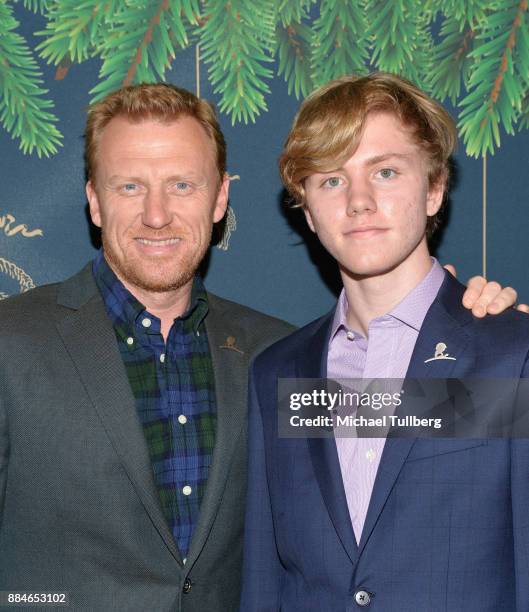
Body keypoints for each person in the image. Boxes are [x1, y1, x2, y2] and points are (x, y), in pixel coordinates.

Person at [0, 82, 520, 612]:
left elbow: (399, 456)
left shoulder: (269, 355)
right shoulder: (11, 342)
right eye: (129, 187)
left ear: (220, 197)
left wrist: (473, 327)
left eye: (182, 184)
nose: (156, 214)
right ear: (93, 201)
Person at [241, 73, 529, 611]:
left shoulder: (510, 355)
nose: (359, 201)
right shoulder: (277, 375)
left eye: (387, 171)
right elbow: (265, 581)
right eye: (330, 180)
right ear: (305, 206)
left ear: (434, 188)